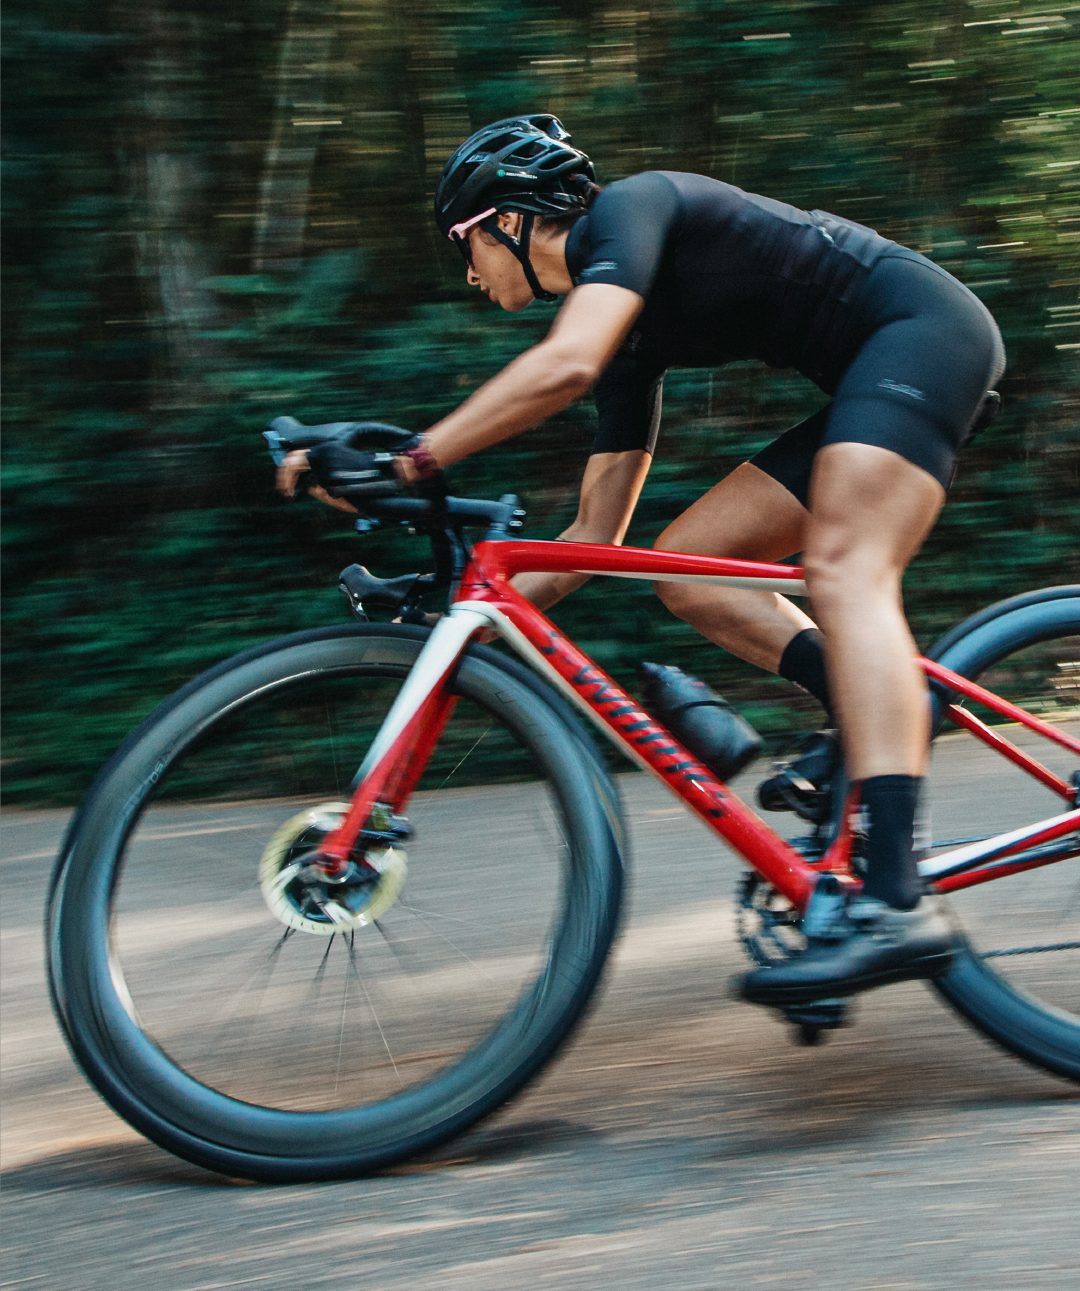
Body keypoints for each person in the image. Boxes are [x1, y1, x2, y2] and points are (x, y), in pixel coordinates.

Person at [278, 112, 1005, 1006]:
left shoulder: (634, 208)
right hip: (873, 373)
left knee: (847, 568)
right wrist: (456, 620)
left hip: (923, 332)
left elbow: (563, 366)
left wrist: (408, 463)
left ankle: (897, 904)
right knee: (683, 565)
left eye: (463, 245)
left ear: (510, 218)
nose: (467, 273)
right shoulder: (621, 339)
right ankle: (876, 713)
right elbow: (593, 539)